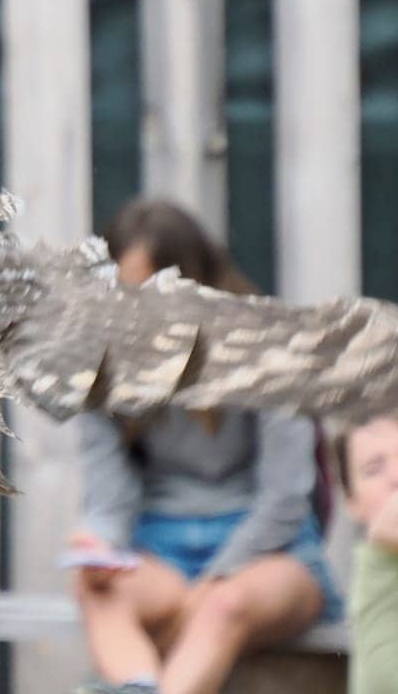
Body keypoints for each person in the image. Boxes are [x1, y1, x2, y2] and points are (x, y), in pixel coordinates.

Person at [68, 199, 342, 694]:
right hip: (159, 551)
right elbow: (109, 498)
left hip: (268, 553)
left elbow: (284, 499)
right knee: (95, 590)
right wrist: (98, 544)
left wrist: (214, 582)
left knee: (222, 609)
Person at [333, 412, 398, 693]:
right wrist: (380, 555)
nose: (396, 477)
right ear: (352, 502)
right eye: (374, 469)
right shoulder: (375, 577)